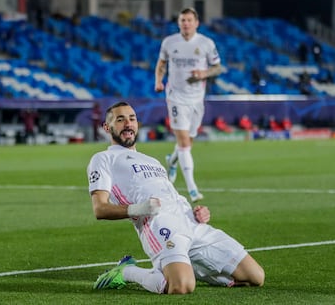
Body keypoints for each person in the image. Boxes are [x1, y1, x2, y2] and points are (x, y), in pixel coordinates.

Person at [88, 102, 265, 294]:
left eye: (132, 119)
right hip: (160, 225)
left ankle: (186, 266)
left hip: (191, 222)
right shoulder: (103, 158)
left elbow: (172, 197)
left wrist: (197, 212)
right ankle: (126, 271)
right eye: (120, 120)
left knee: (255, 277)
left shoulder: (152, 161)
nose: (128, 124)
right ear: (107, 127)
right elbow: (100, 209)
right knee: (181, 286)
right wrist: (139, 209)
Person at [154, 7, 222, 202]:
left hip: (197, 98)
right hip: (176, 97)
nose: (185, 23)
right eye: (182, 20)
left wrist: (204, 74)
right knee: (184, 143)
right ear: (178, 23)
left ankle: (172, 161)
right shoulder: (169, 42)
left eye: (189, 20)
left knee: (188, 142)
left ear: (196, 23)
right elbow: (161, 64)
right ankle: (193, 189)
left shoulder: (206, 43)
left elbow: (217, 67)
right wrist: (158, 81)